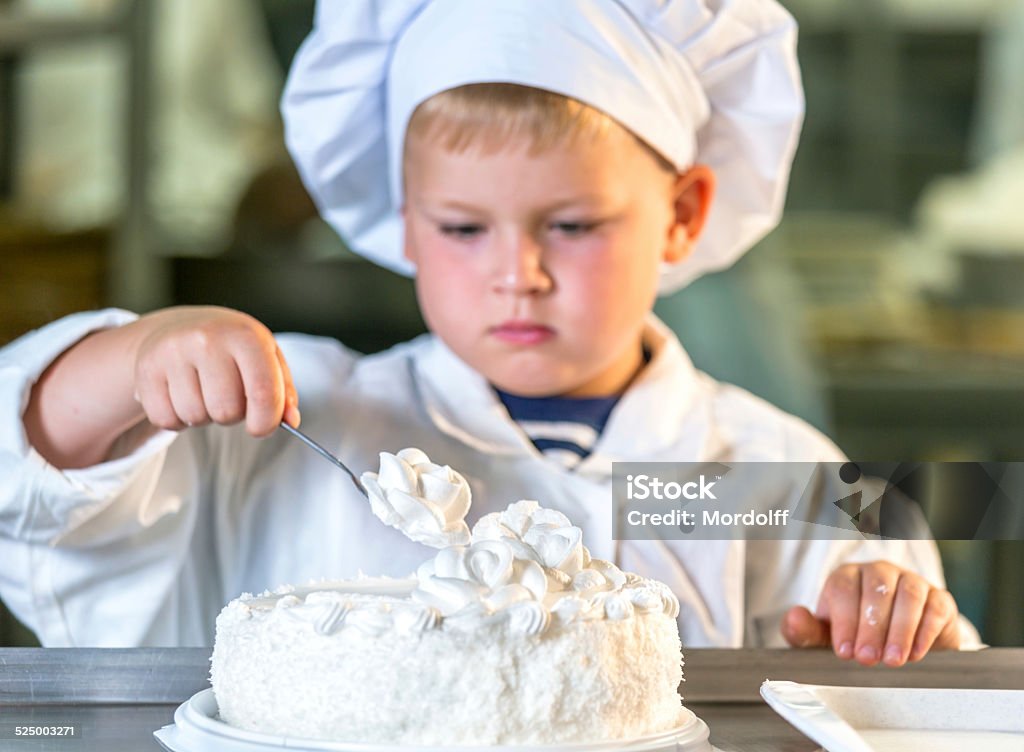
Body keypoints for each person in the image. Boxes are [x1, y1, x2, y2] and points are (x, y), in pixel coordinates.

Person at [0, 0, 979, 662]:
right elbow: (32, 484)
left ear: (681, 212)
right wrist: (134, 360)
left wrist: (888, 639)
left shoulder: (787, 476)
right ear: (404, 212)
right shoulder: (291, 423)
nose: (519, 272)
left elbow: (916, 681)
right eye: (463, 228)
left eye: (572, 224)